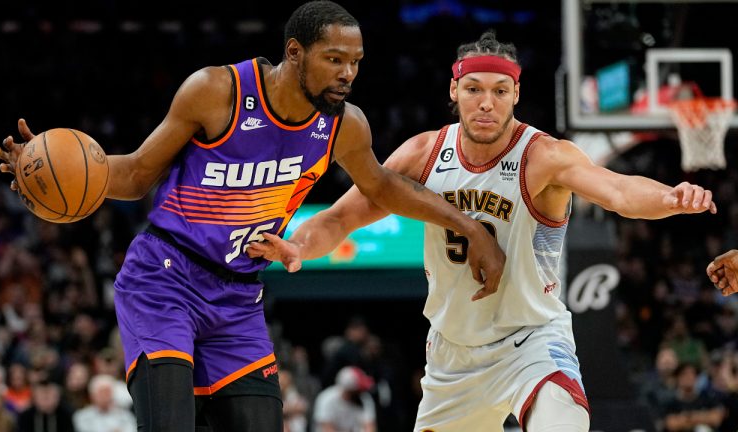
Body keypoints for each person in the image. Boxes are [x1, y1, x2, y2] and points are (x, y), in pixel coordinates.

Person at [0, 2, 503, 430]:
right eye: (333, 59)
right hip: (164, 279)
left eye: (356, 61)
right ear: (295, 53)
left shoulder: (345, 126)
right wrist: (51, 171)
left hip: (238, 294)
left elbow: (385, 187)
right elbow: (137, 174)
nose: (347, 73)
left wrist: (467, 226)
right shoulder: (217, 92)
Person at [247, 30, 719, 431]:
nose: (486, 103)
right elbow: (340, 218)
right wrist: (297, 245)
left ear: (516, 94)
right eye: (473, 89)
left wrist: (670, 197)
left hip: (531, 340)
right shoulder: (422, 154)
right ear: (454, 91)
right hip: (453, 353)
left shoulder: (543, 156)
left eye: (498, 90)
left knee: (562, 420)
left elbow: (618, 191)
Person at [312, 366, 376, 432]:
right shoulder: (326, 398)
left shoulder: (365, 398)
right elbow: (326, 428)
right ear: (349, 390)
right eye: (357, 390)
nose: (361, 393)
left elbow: (370, 427)